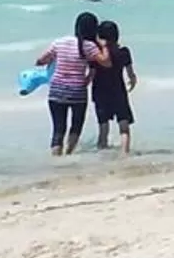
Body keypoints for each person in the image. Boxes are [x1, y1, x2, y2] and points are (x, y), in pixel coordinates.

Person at [34, 11, 108, 156]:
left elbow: (40, 60)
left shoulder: (59, 42)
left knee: (58, 128)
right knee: (76, 126)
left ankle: (56, 158)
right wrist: (103, 45)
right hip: (77, 91)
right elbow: (105, 61)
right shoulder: (89, 46)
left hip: (56, 91)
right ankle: (68, 154)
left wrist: (50, 62)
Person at [89, 19, 137, 154]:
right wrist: (132, 82)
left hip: (100, 92)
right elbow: (131, 74)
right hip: (118, 91)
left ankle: (102, 153)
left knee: (103, 127)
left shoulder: (97, 55)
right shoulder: (124, 52)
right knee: (124, 126)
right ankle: (124, 153)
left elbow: (91, 74)